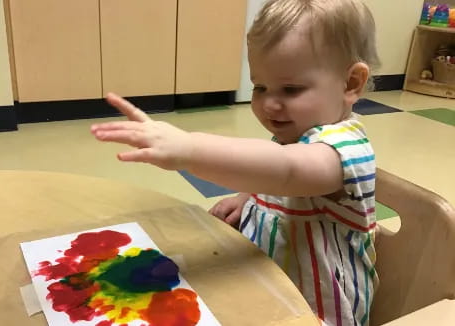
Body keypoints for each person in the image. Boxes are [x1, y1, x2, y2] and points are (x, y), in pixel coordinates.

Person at [91, 0, 380, 324]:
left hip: (317, 311)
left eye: (291, 89)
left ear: (351, 83)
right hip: (264, 286)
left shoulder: (346, 149)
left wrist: (188, 148)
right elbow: (274, 177)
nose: (269, 104)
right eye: (260, 87)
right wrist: (248, 198)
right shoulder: (295, 136)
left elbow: (288, 171)